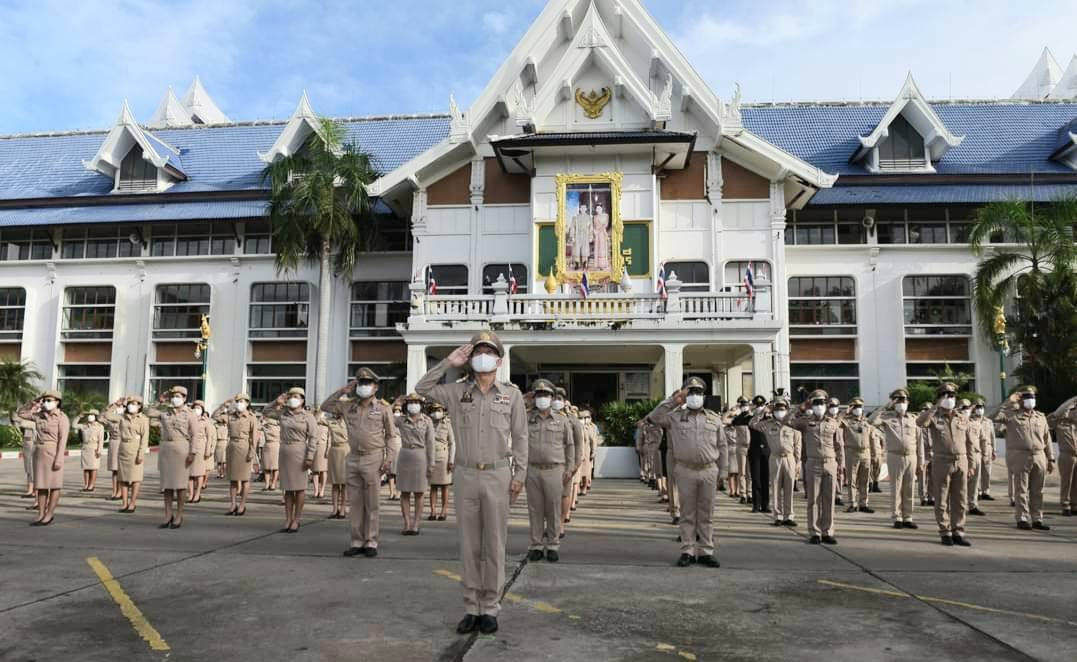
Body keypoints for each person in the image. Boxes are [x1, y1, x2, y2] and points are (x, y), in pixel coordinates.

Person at [416, 330, 527, 636]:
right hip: (465, 475)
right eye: (478, 351)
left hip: (498, 475)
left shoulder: (512, 394)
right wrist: (447, 363)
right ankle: (471, 607)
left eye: (488, 352)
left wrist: (519, 476)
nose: (482, 356)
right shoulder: (455, 391)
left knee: (494, 544)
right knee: (468, 545)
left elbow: (520, 437)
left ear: (499, 359)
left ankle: (490, 607)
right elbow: (422, 387)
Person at [647, 377, 727, 568]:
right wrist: (675, 400)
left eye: (698, 393)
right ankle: (688, 550)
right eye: (690, 393)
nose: (694, 396)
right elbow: (655, 417)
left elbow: (722, 446)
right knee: (687, 513)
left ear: (704, 396)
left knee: (707, 513)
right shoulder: (674, 417)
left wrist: (722, 472)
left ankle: (706, 551)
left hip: (709, 470)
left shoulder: (714, 418)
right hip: (685, 470)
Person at [322, 367, 399, 559]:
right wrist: (342, 391)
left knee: (372, 503)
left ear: (375, 387)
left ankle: (371, 541)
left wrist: (389, 459)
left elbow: (390, 436)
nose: (364, 386)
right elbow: (325, 406)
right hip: (353, 457)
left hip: (373, 458)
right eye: (360, 383)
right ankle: (356, 541)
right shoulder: (349, 406)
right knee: (355, 502)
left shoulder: (383, 408)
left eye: (367, 383)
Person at [525, 379, 578, 562]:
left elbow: (570, 446)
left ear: (552, 397)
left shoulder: (562, 420)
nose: (542, 398)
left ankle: (553, 544)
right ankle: (536, 545)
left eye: (546, 395)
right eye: (538, 395)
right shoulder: (526, 419)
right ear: (534, 398)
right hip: (531, 470)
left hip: (555, 470)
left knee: (554, 509)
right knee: (535, 509)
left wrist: (570, 468)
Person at [917, 383, 977, 546]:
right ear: (939, 398)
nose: (949, 398)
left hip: (961, 461)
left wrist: (971, 464)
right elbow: (920, 423)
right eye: (945, 395)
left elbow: (970, 442)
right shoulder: (935, 417)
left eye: (951, 395)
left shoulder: (962, 417)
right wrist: (935, 406)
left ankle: (958, 530)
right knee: (942, 498)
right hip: (942, 461)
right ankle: (945, 531)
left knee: (960, 499)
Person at [783, 389, 844, 545]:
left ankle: (827, 532)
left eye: (821, 403)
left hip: (830, 462)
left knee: (829, 499)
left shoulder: (833, 422)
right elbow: (785, 421)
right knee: (813, 500)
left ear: (826, 404)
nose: (819, 406)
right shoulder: (805, 421)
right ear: (811, 404)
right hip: (812, 463)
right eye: (815, 403)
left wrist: (841, 464)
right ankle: (815, 532)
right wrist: (799, 408)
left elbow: (839, 445)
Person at [990, 386, 1055, 531]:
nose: (1030, 400)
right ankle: (1023, 518)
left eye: (1032, 397)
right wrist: (1007, 401)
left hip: (1039, 456)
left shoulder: (1041, 416)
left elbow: (1047, 438)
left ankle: (1037, 519)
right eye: (1027, 398)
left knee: (1038, 490)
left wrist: (1051, 459)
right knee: (1021, 490)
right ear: (1021, 400)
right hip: (1020, 456)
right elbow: (991, 417)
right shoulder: (1011, 415)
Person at [263, 388, 319, 533]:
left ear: (302, 400)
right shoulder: (283, 414)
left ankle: (297, 519)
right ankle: (287, 519)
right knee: (287, 489)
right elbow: (266, 412)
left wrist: (310, 457)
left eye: (296, 396)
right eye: (291, 396)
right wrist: (277, 401)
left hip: (300, 452)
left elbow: (313, 438)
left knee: (299, 489)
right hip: (285, 452)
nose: (292, 399)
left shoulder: (308, 417)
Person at [869, 389, 923, 530]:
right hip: (895, 456)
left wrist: (921, 461)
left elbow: (920, 441)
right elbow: (871, 421)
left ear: (908, 402)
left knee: (909, 488)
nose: (901, 403)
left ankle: (908, 517)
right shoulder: (887, 417)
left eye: (903, 400)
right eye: (898, 400)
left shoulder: (913, 418)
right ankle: (897, 517)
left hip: (911, 456)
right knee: (896, 488)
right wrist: (887, 405)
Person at [147, 386, 198, 529]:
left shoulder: (190, 414)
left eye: (178, 395)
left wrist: (192, 453)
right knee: (167, 486)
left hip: (182, 449)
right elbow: (150, 412)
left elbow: (195, 435)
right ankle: (168, 514)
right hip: (166, 450)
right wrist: (159, 401)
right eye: (173, 395)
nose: (175, 398)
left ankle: (179, 515)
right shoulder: (166, 413)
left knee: (181, 486)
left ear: (184, 398)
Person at [17, 390, 70, 526]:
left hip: (53, 453)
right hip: (39, 453)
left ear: (57, 402)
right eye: (45, 400)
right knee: (41, 485)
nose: (46, 402)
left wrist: (59, 458)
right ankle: (40, 513)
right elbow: (21, 413)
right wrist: (34, 401)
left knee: (54, 486)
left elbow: (63, 440)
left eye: (49, 400)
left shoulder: (62, 418)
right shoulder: (39, 416)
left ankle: (49, 514)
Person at [750, 398, 801, 526]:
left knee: (789, 487)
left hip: (789, 458)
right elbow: (752, 423)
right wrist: (762, 412)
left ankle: (789, 516)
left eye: (782, 409)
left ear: (787, 410)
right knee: (776, 487)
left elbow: (798, 444)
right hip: (775, 458)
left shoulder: (792, 424)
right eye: (777, 409)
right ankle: (778, 515)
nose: (780, 411)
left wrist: (798, 461)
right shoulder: (768, 424)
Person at [395, 393, 436, 536]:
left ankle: (416, 524)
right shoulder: (401, 420)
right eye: (411, 402)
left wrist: (431, 463)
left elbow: (431, 443)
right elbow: (385, 417)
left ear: (421, 404)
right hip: (405, 456)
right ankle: (406, 523)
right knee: (404, 492)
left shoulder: (427, 421)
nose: (413, 404)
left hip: (421, 456)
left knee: (419, 492)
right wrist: (396, 402)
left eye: (416, 402)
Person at [213, 394, 259, 516]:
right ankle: (233, 504)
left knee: (244, 479)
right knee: (233, 479)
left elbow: (254, 437)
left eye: (242, 401)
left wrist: (252, 451)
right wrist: (224, 405)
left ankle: (242, 504)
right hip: (232, 447)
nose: (240, 403)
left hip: (244, 447)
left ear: (247, 403)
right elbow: (215, 416)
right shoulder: (230, 416)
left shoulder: (251, 417)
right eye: (238, 401)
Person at [106, 396, 150, 514]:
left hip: (135, 449)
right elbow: (107, 416)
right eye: (130, 403)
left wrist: (141, 453)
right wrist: (115, 404)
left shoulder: (143, 419)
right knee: (123, 478)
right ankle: (124, 503)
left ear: (139, 406)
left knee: (135, 478)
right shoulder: (122, 417)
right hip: (123, 448)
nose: (131, 406)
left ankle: (132, 503)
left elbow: (145, 438)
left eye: (134, 404)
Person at [839, 397, 881, 514]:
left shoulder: (866, 421)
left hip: (866, 453)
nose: (858, 409)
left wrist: (875, 454)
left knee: (865, 479)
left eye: (860, 407)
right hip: (852, 452)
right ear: (851, 408)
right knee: (852, 479)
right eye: (855, 407)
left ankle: (864, 503)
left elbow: (872, 437)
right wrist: (844, 412)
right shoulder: (846, 421)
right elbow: (836, 422)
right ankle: (852, 503)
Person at [1048, 395, 1077, 516]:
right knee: (1067, 482)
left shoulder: (1075, 425)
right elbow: (1053, 417)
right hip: (1067, 455)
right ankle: (1065, 504)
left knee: (1076, 482)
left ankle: (1075, 504)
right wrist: (1072, 401)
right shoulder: (1059, 424)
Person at [427, 402, 456, 521]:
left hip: (444, 457)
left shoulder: (447, 423)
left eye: (438, 410)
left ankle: (444, 511)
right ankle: (433, 511)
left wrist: (451, 460)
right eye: (434, 410)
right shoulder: (428, 422)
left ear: (443, 411)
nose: (436, 412)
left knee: (445, 486)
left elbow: (452, 443)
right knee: (433, 486)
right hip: (431, 457)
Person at [745, 395, 771, 512]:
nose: (760, 407)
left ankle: (765, 504)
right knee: (755, 479)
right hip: (754, 450)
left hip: (767, 450)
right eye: (758, 405)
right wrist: (760, 413)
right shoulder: (751, 417)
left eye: (762, 405)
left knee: (765, 478)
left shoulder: (769, 419)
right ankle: (756, 505)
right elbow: (751, 423)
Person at [723, 396, 751, 504]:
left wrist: (752, 409)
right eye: (742, 405)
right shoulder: (738, 418)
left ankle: (750, 493)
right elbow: (724, 420)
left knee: (750, 473)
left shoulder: (751, 417)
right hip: (740, 448)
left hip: (750, 447)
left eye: (745, 405)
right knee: (742, 472)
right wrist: (731, 410)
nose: (744, 407)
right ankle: (743, 494)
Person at [962, 400, 987, 517]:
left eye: (968, 407)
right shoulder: (957, 422)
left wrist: (985, 453)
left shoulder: (976, 423)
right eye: (964, 407)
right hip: (963, 455)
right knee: (961, 483)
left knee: (975, 483)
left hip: (976, 455)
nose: (966, 410)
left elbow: (983, 439)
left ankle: (972, 505)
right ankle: (960, 505)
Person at [326, 411, 350, 519]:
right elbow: (316, 419)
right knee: (335, 483)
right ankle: (334, 509)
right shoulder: (330, 421)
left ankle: (343, 509)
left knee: (344, 483)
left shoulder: (349, 421)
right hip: (334, 451)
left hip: (345, 451)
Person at [186, 400, 210, 504]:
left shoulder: (205, 421)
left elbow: (209, 436)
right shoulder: (188, 419)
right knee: (189, 473)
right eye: (195, 407)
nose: (197, 409)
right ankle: (190, 494)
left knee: (199, 473)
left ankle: (197, 493)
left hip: (200, 447)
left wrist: (208, 450)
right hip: (189, 446)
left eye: (199, 408)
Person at [77, 409, 104, 492]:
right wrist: (79, 416)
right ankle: (86, 485)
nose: (90, 416)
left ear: (95, 417)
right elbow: (74, 425)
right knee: (86, 468)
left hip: (94, 448)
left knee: (93, 468)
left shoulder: (99, 426)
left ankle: (91, 485)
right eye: (89, 414)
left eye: (92, 415)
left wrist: (99, 450)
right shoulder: (84, 426)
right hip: (85, 448)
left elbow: (101, 440)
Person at [103, 401, 122, 501]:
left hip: (122, 444)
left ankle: (120, 491)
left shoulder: (124, 418)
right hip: (113, 444)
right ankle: (114, 491)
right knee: (114, 470)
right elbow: (102, 417)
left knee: (120, 470)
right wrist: (112, 405)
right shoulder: (111, 419)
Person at [15, 412, 36, 499]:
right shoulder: (28, 419)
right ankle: (30, 489)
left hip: (34, 443)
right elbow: (16, 418)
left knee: (33, 468)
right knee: (28, 467)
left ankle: (34, 490)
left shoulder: (36, 421)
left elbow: (22, 423)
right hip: (27, 443)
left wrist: (29, 414)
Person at [917, 403, 934, 507]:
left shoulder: (934, 423)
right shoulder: (918, 424)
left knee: (933, 477)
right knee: (922, 478)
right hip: (923, 453)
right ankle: (923, 498)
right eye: (923, 409)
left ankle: (932, 497)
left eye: (927, 409)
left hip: (934, 453)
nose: (925, 411)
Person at [311, 409, 330, 500]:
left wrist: (328, 450)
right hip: (314, 447)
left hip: (323, 447)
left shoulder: (327, 424)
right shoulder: (313, 424)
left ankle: (322, 490)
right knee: (315, 470)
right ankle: (315, 490)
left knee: (323, 471)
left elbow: (329, 438)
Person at [260, 413, 281, 491]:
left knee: (276, 467)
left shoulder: (279, 424)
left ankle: (273, 484)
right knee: (266, 467)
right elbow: (259, 425)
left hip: (276, 444)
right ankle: (267, 484)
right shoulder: (265, 424)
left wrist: (270, 421)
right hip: (267, 444)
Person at [569, 202, 592, 270]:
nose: (583, 209)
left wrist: (590, 237)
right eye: (581, 208)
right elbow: (572, 227)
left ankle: (585, 263)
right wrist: (572, 236)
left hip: (585, 235)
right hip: (577, 235)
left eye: (584, 208)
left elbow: (591, 228)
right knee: (576, 249)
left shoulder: (589, 218)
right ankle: (577, 263)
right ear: (580, 208)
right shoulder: (575, 217)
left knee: (585, 249)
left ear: (586, 209)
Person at [591, 202, 610, 270]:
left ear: (602, 209)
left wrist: (599, 230)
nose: (598, 209)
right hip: (597, 235)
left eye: (599, 208)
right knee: (597, 248)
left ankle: (603, 264)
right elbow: (593, 226)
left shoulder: (605, 215)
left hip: (603, 233)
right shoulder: (595, 217)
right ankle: (597, 264)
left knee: (603, 248)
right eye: (597, 208)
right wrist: (594, 231)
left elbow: (606, 224)